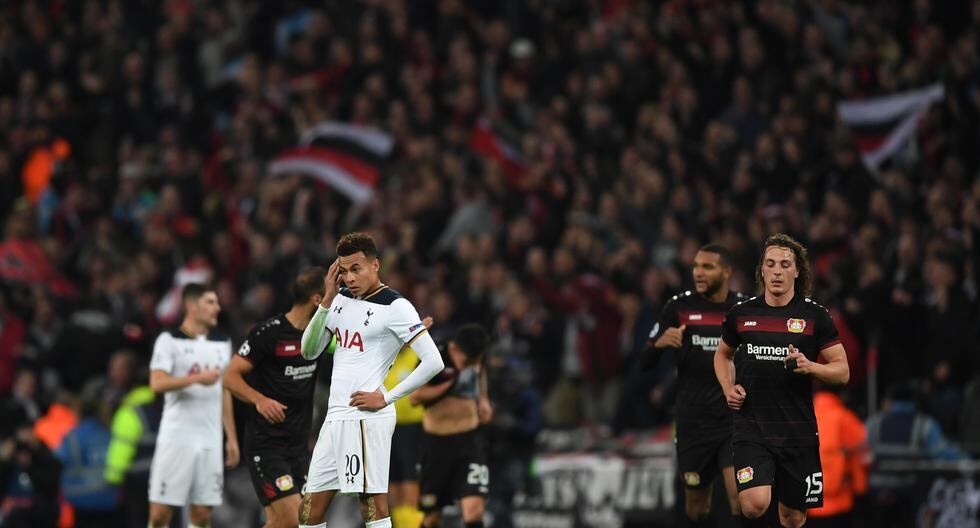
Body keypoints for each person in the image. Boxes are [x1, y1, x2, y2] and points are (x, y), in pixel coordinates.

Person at [298, 232, 444, 528]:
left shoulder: (396, 306)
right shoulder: (338, 301)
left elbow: (434, 361)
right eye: (344, 271)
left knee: (371, 506)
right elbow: (309, 351)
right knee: (309, 510)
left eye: (356, 269)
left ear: (375, 265)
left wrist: (386, 396)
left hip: (366, 416)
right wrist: (326, 300)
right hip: (336, 416)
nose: (349, 277)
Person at [714, 233, 850, 528]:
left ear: (797, 270)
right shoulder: (741, 314)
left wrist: (810, 366)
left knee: (793, 516)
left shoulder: (815, 316)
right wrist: (728, 388)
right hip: (751, 425)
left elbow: (842, 371)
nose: (777, 271)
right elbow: (722, 355)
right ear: (761, 270)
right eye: (771, 264)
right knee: (754, 504)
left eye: (785, 264)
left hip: (796, 429)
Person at [645, 243, 745, 525]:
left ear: (726, 272)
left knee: (740, 498)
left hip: (731, 420)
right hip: (692, 424)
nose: (699, 272)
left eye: (707, 267)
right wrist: (659, 345)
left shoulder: (744, 310)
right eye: (696, 267)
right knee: (696, 507)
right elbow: (645, 359)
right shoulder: (679, 309)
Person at [222, 267, 330, 528]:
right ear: (317, 299)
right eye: (333, 295)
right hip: (267, 446)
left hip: (299, 447)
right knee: (299, 520)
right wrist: (259, 399)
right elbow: (230, 376)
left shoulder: (323, 335)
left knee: (281, 523)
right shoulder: (269, 333)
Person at [147, 283, 240, 528]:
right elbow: (157, 383)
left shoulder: (222, 342)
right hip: (176, 437)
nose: (217, 308)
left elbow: (224, 391)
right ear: (191, 306)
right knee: (160, 515)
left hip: (209, 438)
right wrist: (196, 378)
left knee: (202, 514)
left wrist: (231, 437)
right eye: (210, 302)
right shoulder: (169, 340)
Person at [409, 324, 493, 528]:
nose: (469, 366)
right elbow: (415, 397)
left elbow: (480, 374)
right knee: (432, 517)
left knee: (474, 511)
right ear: (454, 348)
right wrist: (450, 384)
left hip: (470, 443)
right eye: (466, 361)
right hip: (436, 445)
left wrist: (483, 401)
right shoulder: (432, 357)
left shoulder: (476, 358)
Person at [385, 317, 434, 528]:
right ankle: (401, 524)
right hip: (388, 428)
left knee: (410, 482)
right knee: (394, 483)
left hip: (412, 429)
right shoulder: (386, 357)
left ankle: (413, 525)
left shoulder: (418, 355)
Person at [55, 380, 120, 528]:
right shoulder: (109, 434)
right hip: (109, 499)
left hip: (80, 500)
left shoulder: (71, 437)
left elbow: (58, 461)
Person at [807, 386, 868, 528]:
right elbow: (863, 453)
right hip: (839, 501)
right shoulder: (844, 418)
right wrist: (860, 488)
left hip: (807, 501)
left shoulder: (805, 415)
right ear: (843, 394)